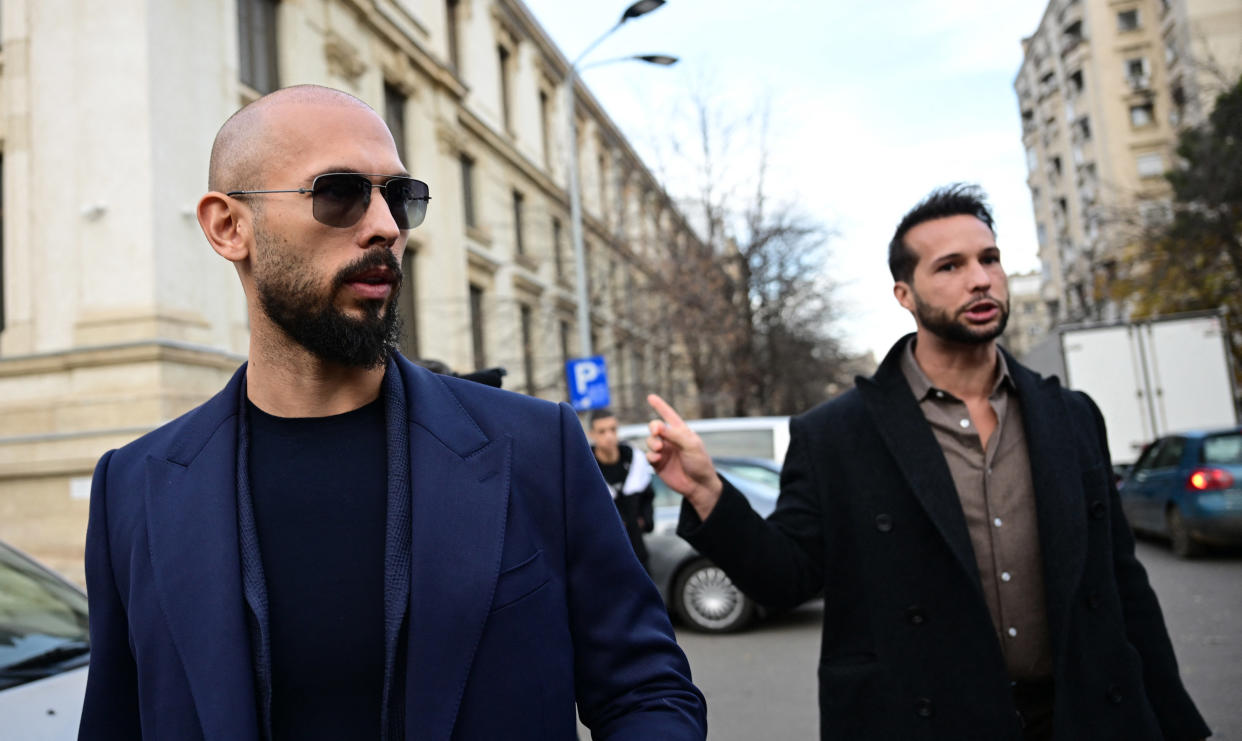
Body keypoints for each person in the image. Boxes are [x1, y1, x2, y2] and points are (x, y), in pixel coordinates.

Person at [78, 85, 705, 741]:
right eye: (339, 193)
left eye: (401, 197)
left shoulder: (534, 447)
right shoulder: (135, 487)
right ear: (229, 226)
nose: (385, 226)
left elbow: (647, 692)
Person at [645, 184, 1209, 741]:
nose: (980, 278)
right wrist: (709, 493)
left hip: (1079, 717)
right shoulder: (838, 434)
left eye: (990, 259)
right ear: (905, 295)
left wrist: (1176, 722)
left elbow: (1121, 585)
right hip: (922, 721)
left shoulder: (1071, 416)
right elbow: (786, 576)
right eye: (950, 266)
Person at [588, 409, 656, 570]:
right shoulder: (587, 467)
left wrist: (644, 521)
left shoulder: (634, 460)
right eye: (602, 431)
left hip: (637, 551)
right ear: (592, 434)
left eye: (613, 429)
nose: (609, 436)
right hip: (604, 557)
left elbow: (648, 495)